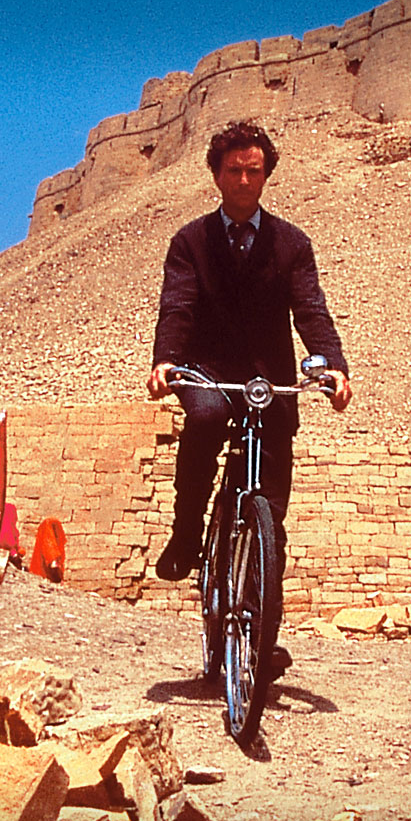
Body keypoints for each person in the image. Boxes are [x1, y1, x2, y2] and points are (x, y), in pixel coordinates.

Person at [148, 121, 351, 588]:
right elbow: (177, 306)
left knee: (270, 515)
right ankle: (186, 532)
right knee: (205, 419)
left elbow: (310, 309)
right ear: (216, 175)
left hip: (269, 377)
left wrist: (333, 365)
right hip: (207, 371)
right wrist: (166, 360)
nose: (244, 180)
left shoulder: (292, 243)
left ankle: (263, 629)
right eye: (234, 170)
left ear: (266, 176)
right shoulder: (190, 242)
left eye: (253, 171)